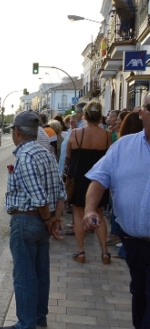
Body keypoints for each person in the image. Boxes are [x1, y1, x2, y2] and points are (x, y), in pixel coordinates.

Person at [83, 93, 150, 329]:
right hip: (134, 240)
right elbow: (100, 179)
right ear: (142, 112)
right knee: (140, 292)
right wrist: (88, 209)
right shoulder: (124, 146)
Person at [0, 110, 66, 329]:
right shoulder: (46, 153)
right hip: (41, 221)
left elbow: (37, 197)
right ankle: (39, 316)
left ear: (17, 132)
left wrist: (49, 221)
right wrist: (55, 218)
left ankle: (26, 324)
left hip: (26, 220)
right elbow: (60, 189)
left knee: (24, 273)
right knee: (40, 272)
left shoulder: (25, 157)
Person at [64, 101, 112, 264]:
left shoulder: (76, 133)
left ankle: (81, 251)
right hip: (99, 178)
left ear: (84, 115)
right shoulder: (107, 135)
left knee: (78, 213)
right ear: (100, 117)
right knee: (98, 213)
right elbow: (109, 158)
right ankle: (105, 252)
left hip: (78, 176)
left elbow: (68, 156)